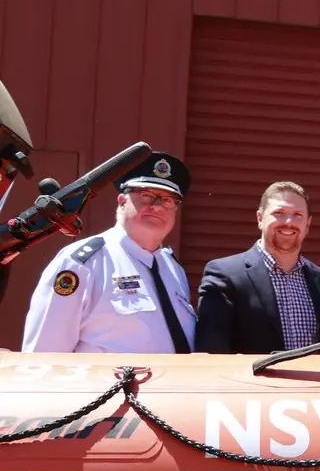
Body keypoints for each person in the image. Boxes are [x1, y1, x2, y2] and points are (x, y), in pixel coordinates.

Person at [21, 152, 196, 354]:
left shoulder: (173, 269)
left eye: (168, 200)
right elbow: (44, 354)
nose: (156, 207)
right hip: (107, 386)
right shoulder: (83, 263)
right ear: (122, 201)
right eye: (146, 195)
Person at [194, 181, 320, 354]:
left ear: (308, 224)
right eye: (279, 213)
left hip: (316, 382)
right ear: (260, 218)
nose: (288, 222)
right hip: (253, 381)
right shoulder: (225, 274)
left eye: (297, 214)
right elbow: (212, 349)